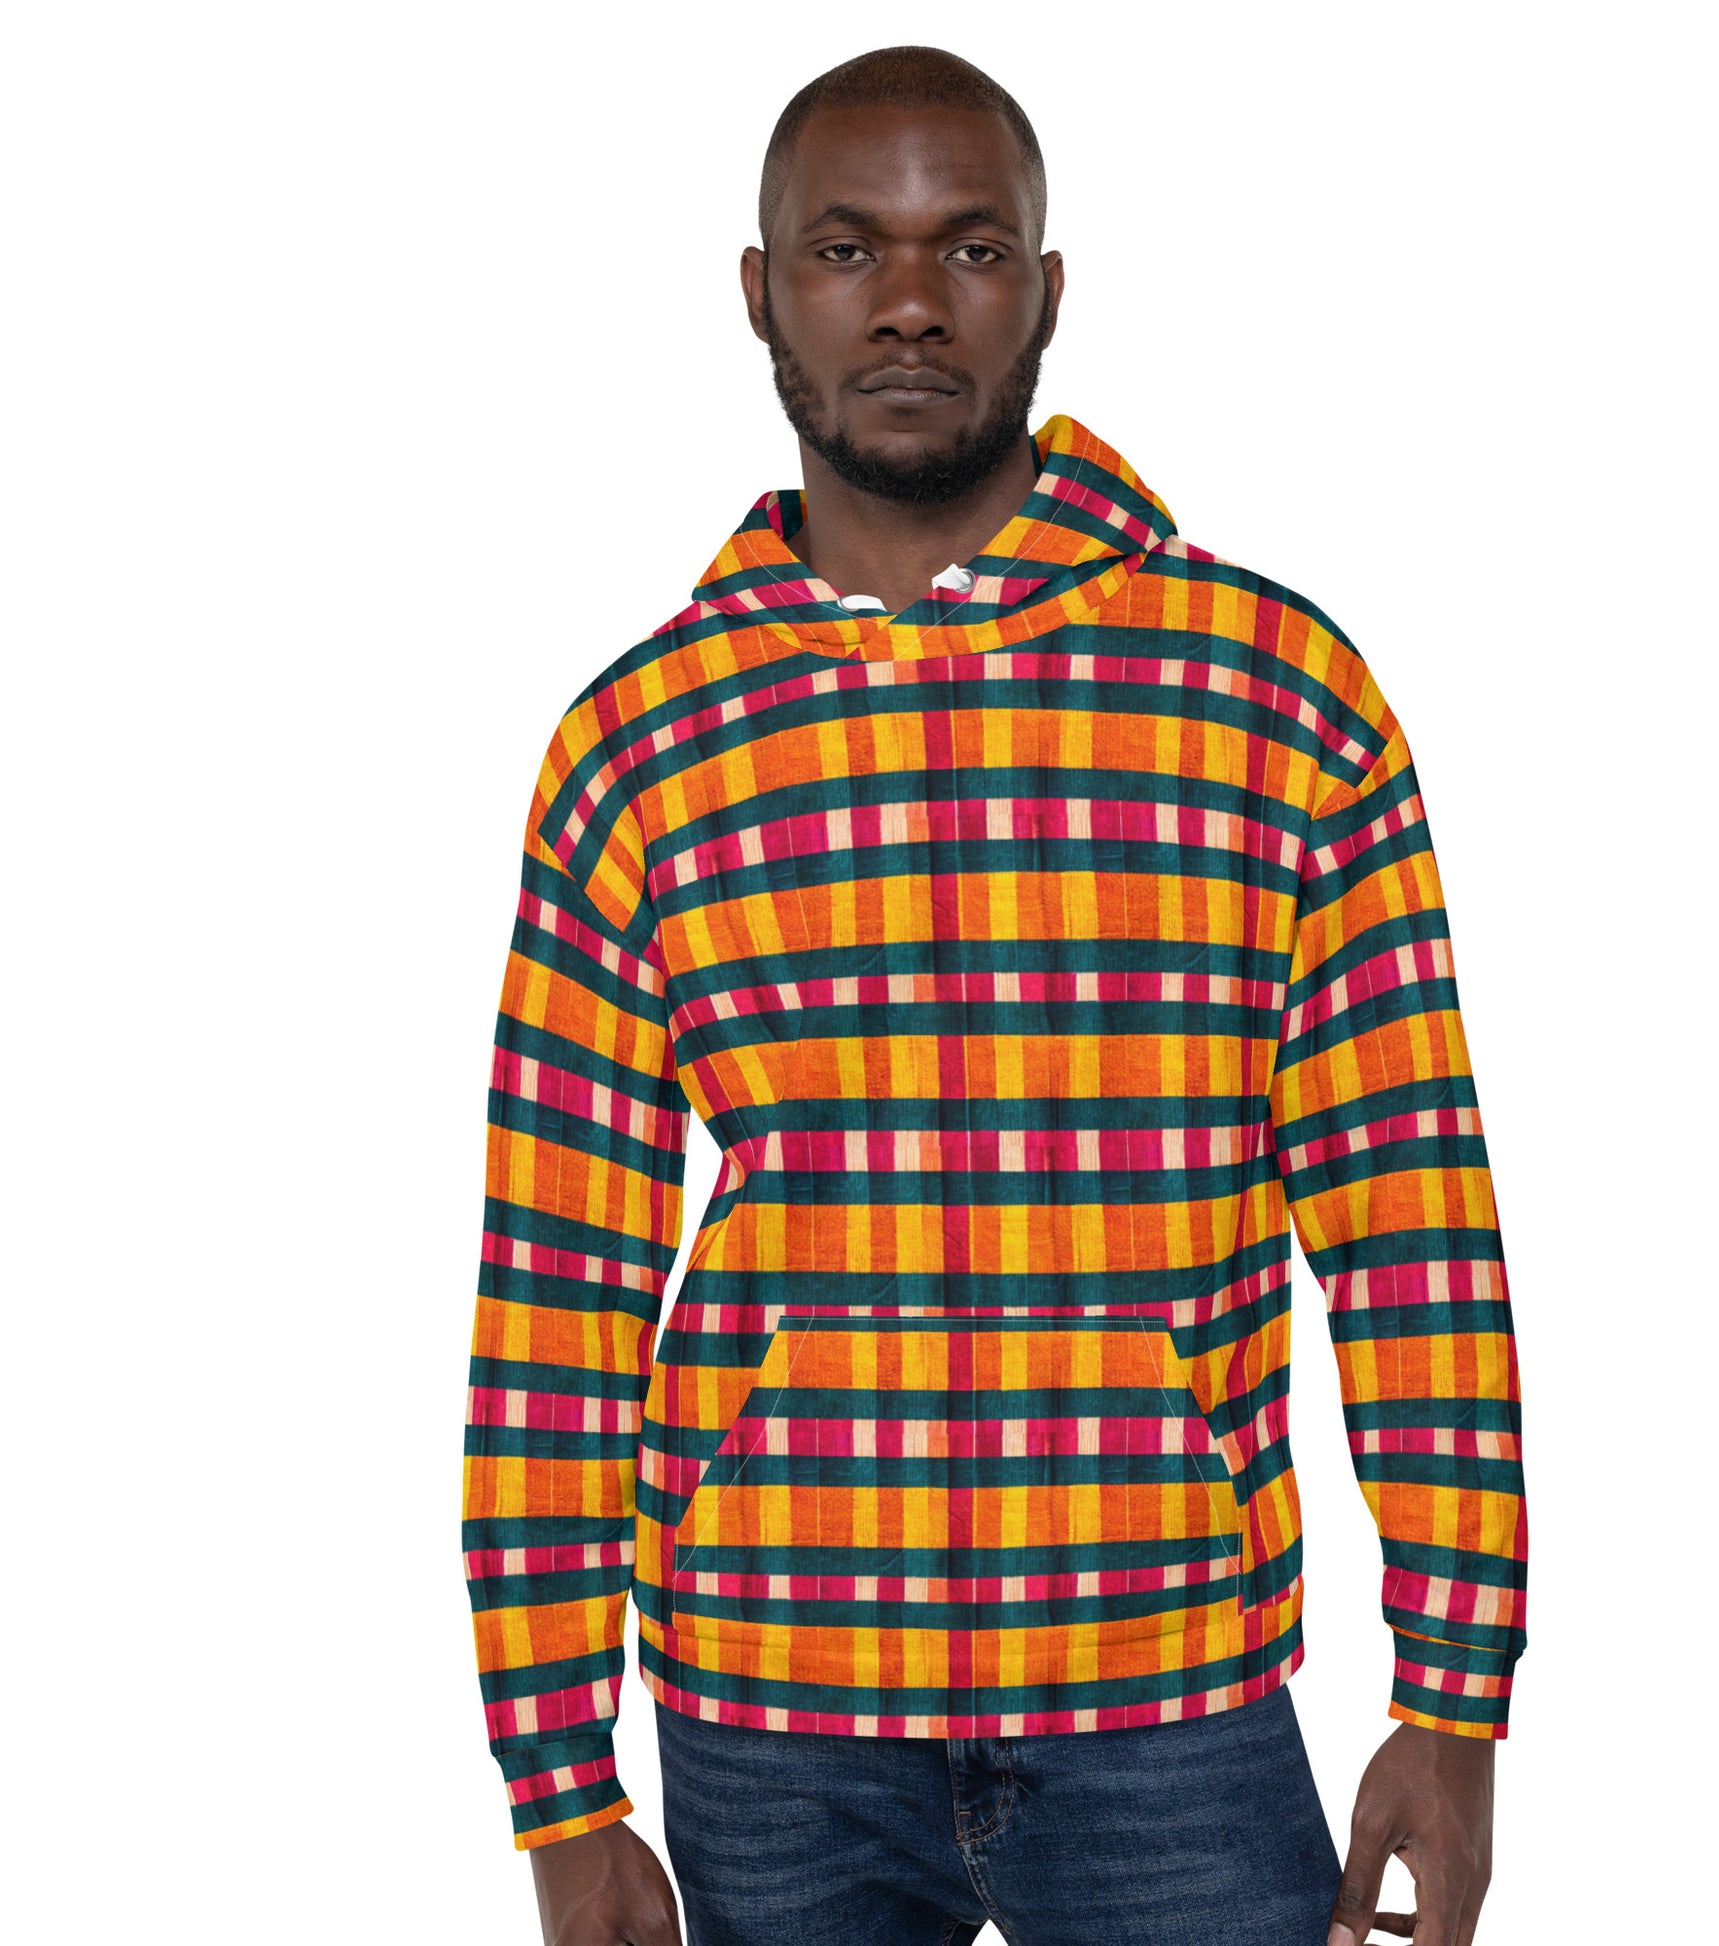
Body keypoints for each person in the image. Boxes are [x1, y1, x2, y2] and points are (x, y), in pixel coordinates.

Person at [461, 44, 1527, 1946]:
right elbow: (562, 1274)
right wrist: (559, 1782)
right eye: (843, 248)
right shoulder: (643, 745)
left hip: (1167, 1685)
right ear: (759, 291)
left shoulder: (1271, 697)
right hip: (765, 1711)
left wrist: (1452, 1695)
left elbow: (1405, 1213)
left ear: (1044, 288)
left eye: (967, 248)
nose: (906, 302)